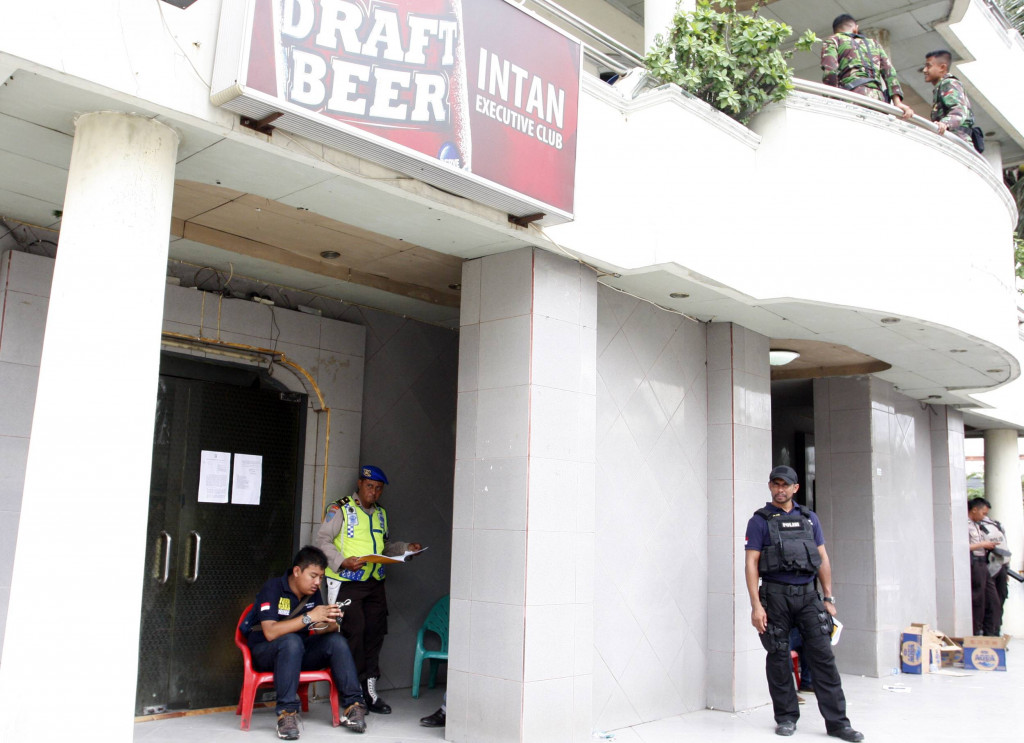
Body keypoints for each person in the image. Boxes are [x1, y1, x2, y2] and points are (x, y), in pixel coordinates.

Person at [745, 465, 863, 741]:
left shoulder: (809, 519)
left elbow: (822, 558)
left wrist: (828, 597)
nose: (780, 489)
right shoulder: (760, 520)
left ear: (795, 488)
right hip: (774, 597)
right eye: (775, 484)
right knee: (778, 658)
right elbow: (751, 562)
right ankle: (786, 718)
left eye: (785, 485)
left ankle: (838, 724)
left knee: (823, 658)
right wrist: (755, 606)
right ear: (770, 487)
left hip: (809, 597)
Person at [316, 464, 421, 715]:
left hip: (374, 583)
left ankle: (370, 692)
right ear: (360, 484)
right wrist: (342, 561)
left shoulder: (381, 514)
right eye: (370, 486)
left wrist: (406, 548)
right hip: (347, 583)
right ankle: (351, 695)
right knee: (354, 633)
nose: (374, 492)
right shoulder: (340, 508)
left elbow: (382, 547)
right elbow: (322, 540)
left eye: (378, 488)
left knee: (374, 634)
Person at [247, 546, 367, 739]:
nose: (317, 582)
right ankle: (286, 714)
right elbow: (269, 632)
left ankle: (353, 706)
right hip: (265, 652)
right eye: (313, 576)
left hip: (298, 651)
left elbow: (317, 628)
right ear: (297, 571)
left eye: (320, 577)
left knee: (336, 641)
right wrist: (309, 617)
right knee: (291, 642)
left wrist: (332, 621)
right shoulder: (273, 588)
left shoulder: (313, 593)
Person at [821, 14, 914, 120]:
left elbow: (830, 71)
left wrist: (832, 99)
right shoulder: (874, 44)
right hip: (878, 100)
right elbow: (889, 72)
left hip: (852, 96)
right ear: (856, 28)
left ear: (836, 31)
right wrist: (897, 102)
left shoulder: (833, 40)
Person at [922, 49, 975, 144]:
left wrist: (944, 123)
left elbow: (959, 110)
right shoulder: (941, 86)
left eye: (928, 66)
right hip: (951, 139)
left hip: (958, 141)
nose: (924, 70)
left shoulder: (949, 83)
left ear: (942, 68)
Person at [967, 497, 1000, 635]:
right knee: (978, 600)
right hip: (974, 563)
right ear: (974, 509)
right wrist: (982, 545)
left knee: (993, 600)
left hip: (983, 563)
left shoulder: (978, 525)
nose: (984, 517)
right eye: (983, 513)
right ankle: (975, 633)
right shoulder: (965, 524)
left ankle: (990, 633)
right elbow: (961, 547)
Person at [981, 510, 1010, 636]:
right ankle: (990, 634)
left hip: (1001, 567)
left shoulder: (996, 525)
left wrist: (1007, 568)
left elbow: (1005, 547)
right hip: (987, 569)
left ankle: (996, 633)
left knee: (999, 601)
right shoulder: (973, 526)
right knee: (991, 603)